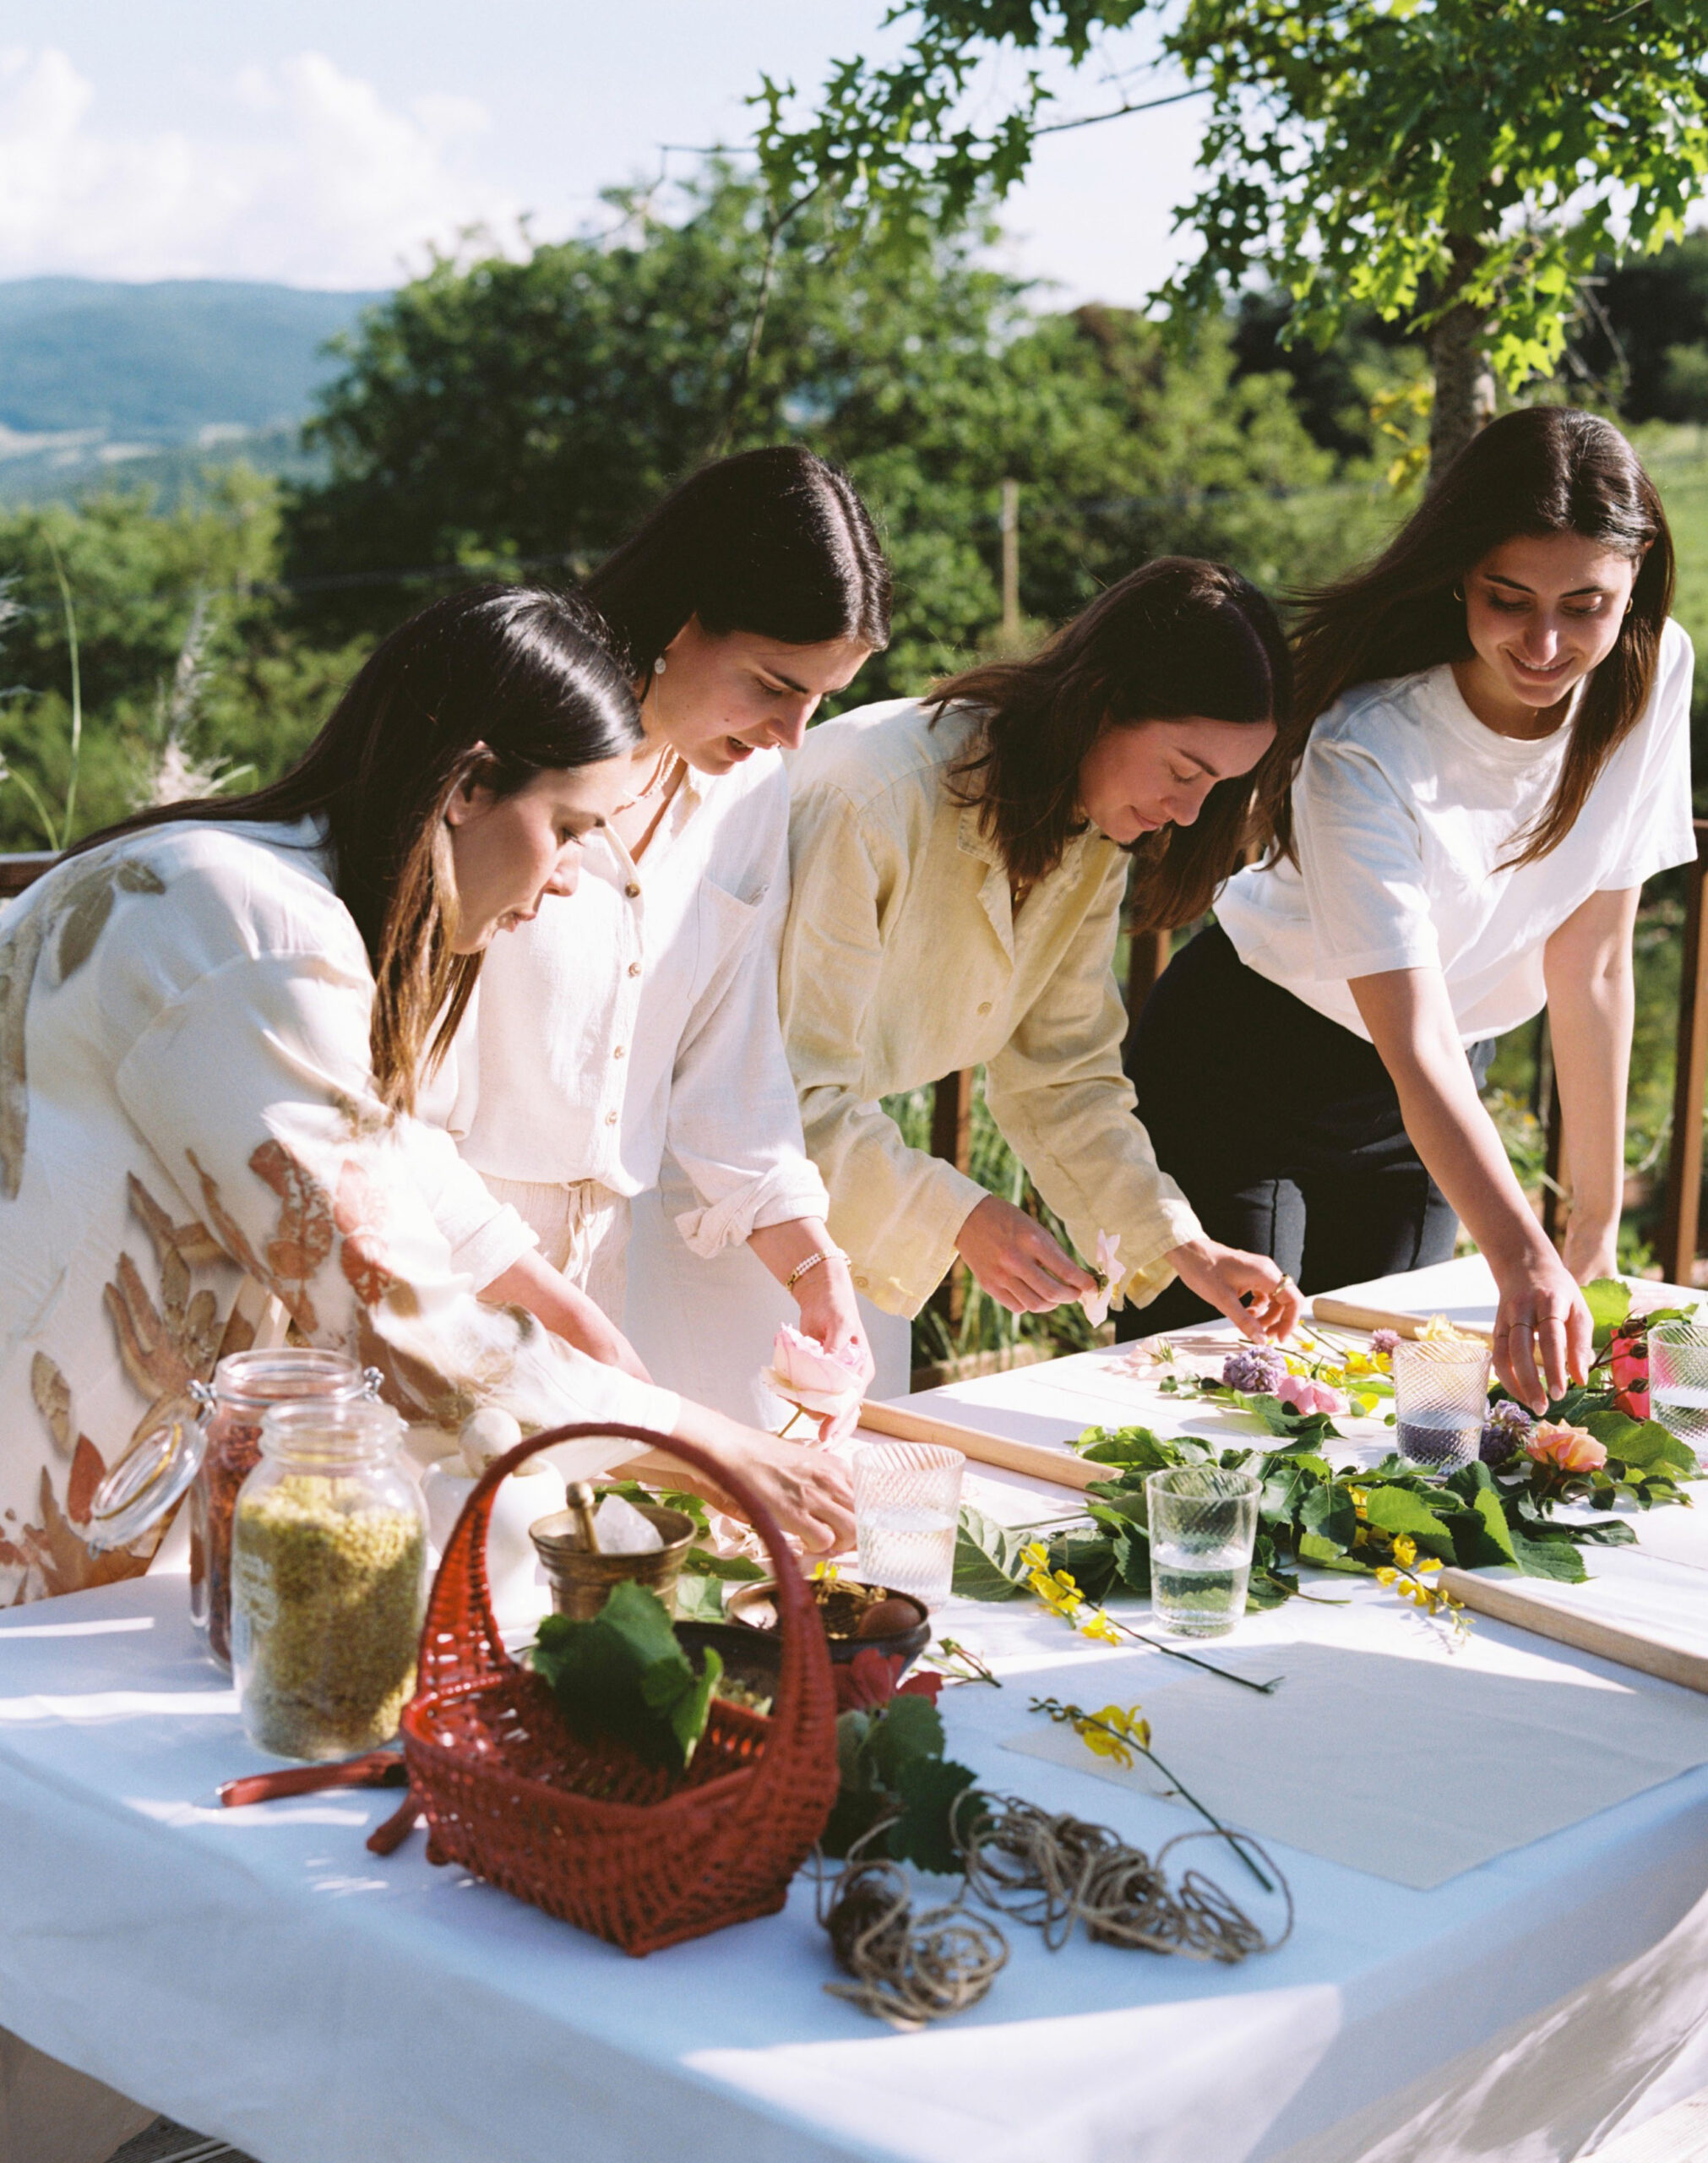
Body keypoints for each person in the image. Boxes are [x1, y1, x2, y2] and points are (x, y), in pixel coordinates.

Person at [0, 585, 853, 1608]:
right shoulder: (247, 929)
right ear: (469, 787)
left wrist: (559, 1309)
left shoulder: (279, 904)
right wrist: (697, 1440)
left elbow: (374, 1149)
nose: (572, 878)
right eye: (571, 826)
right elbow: (390, 1310)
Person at [1123, 407, 1693, 1412]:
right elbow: (1413, 1033)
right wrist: (1519, 1255)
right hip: (1245, 1065)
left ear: (1637, 572)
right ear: (1463, 573)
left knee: (1413, 1418)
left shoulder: (1649, 681)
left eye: (1585, 604)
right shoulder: (1368, 743)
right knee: (1220, 1412)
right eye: (1510, 598)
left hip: (1426, 1105)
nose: (1547, 642)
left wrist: (1589, 1236)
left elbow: (1594, 963)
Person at [438, 449, 894, 1425]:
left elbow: (731, 1070)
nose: (792, 733)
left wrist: (817, 1271)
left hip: (598, 1268)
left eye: (821, 700)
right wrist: (547, 1305)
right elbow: (394, 1094)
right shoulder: (500, 754)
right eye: (775, 684)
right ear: (683, 620)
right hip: (433, 1255)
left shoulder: (751, 790)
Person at [779, 556, 1304, 1342]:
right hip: (704, 1191)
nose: (1193, 813)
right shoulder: (873, 797)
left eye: (1220, 786)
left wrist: (1183, 1246)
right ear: (1103, 699)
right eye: (1184, 770)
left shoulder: (1093, 830)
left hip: (837, 1205)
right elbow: (783, 1088)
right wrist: (961, 1216)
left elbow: (1061, 1074)